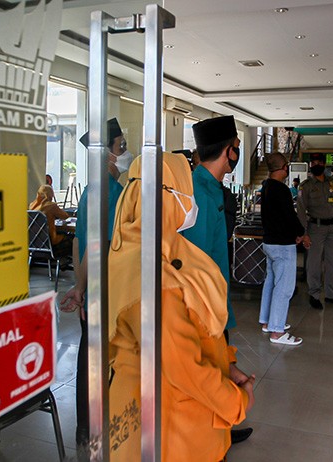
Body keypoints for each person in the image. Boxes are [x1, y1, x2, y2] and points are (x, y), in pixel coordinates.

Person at [94, 152, 254, 460]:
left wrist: (226, 362)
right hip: (170, 425)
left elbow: (193, 327)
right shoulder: (154, 275)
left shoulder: (135, 248)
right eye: (186, 194)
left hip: (145, 406)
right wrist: (237, 402)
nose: (190, 205)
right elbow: (182, 367)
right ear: (168, 198)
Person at [181, 115, 253, 444]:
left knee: (218, 367)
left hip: (216, 301)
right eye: (236, 148)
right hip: (203, 307)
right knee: (205, 370)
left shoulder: (212, 189)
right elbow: (194, 266)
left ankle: (222, 424)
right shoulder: (197, 194)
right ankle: (213, 436)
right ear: (227, 151)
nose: (236, 155)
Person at [61, 117, 131, 447]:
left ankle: (86, 427)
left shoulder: (92, 188)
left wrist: (80, 284)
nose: (125, 152)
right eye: (121, 147)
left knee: (91, 356)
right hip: (104, 288)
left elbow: (77, 242)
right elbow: (95, 245)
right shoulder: (110, 192)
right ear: (106, 154)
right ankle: (95, 427)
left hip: (94, 286)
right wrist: (85, 288)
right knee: (100, 358)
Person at [259, 153, 305, 345]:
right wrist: (301, 232)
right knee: (284, 287)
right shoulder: (282, 189)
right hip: (282, 245)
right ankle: (277, 331)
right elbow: (289, 216)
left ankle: (267, 321)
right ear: (285, 167)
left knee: (271, 282)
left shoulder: (267, 186)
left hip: (270, 242)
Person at [297, 153, 333, 309]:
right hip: (315, 228)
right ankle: (314, 294)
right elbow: (301, 211)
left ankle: (331, 294)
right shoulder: (305, 186)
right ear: (310, 165)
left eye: (319, 162)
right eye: (313, 162)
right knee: (314, 263)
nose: (316, 164)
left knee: (332, 262)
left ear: (324, 165)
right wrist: (303, 233)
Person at [29, 184, 72, 255]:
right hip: (51, 244)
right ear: (50, 195)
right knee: (73, 238)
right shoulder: (51, 206)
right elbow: (65, 216)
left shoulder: (32, 206)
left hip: (34, 245)